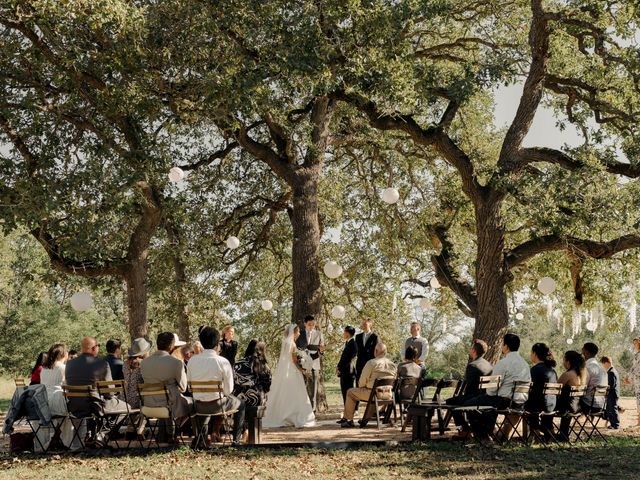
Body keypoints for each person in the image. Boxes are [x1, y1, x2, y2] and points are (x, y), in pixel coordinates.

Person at [465, 333, 531, 441]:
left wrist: (489, 394)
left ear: (506, 346)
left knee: (468, 404)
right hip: (520, 402)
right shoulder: (525, 364)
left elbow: (492, 389)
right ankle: (489, 432)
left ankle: (483, 435)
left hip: (504, 402)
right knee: (487, 402)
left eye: (502, 344)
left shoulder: (504, 363)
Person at [65, 336, 130, 446]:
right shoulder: (102, 364)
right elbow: (109, 392)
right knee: (126, 407)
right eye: (98, 346)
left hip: (74, 406)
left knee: (99, 401)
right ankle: (102, 434)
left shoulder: (70, 364)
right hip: (95, 406)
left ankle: (91, 435)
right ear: (94, 348)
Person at [187, 326, 246, 446]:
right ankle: (236, 441)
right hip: (218, 406)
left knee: (203, 400)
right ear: (217, 343)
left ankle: (201, 438)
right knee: (241, 404)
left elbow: (189, 386)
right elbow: (229, 390)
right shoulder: (223, 361)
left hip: (198, 406)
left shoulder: (192, 361)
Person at [140, 332, 193, 438]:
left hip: (148, 404)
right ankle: (177, 432)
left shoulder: (144, 363)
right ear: (171, 346)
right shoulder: (176, 363)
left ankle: (167, 434)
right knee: (192, 404)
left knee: (169, 399)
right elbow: (183, 388)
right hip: (169, 405)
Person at [263, 324, 316, 428]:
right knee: (295, 392)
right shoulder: (292, 344)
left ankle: (283, 413)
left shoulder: (286, 342)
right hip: (293, 370)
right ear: (294, 332)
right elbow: (294, 360)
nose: (299, 333)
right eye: (298, 332)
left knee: (286, 392)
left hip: (286, 371)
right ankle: (293, 416)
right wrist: (301, 368)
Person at [341, 343, 396, 428]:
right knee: (372, 393)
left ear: (376, 351)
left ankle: (348, 420)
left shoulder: (371, 363)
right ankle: (366, 418)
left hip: (373, 394)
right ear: (385, 352)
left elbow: (362, 382)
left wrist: (363, 386)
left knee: (350, 392)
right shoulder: (393, 365)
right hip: (388, 395)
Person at [448, 339, 493, 440]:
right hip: (487, 397)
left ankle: (464, 430)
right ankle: (467, 430)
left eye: (471, 348)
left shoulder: (472, 365)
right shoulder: (489, 365)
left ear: (474, 350)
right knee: (458, 400)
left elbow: (469, 387)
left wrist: (463, 397)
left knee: (451, 402)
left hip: (475, 397)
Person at [39, 343, 74, 448]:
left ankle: (53, 440)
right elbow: (68, 386)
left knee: (61, 418)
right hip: (58, 401)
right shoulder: (63, 368)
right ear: (64, 354)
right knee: (69, 418)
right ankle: (68, 443)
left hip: (44, 402)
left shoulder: (44, 369)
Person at [526, 343, 558, 438]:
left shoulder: (535, 370)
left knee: (529, 402)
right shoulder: (552, 370)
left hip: (537, 406)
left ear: (535, 354)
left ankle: (535, 432)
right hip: (551, 404)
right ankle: (548, 431)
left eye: (531, 353)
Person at [295, 315, 325, 411]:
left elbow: (322, 350)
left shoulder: (319, 334)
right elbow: (296, 349)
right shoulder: (300, 334)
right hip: (302, 364)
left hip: (315, 364)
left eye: (313, 324)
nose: (311, 326)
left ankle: (313, 409)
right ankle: (302, 407)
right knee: (301, 386)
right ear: (305, 324)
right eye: (309, 324)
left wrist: (321, 350)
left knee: (313, 387)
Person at [557, 350, 587, 440]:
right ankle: (563, 434)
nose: (563, 362)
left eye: (563, 360)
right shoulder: (581, 375)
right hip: (576, 407)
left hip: (566, 407)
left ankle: (547, 431)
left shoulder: (567, 374)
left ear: (568, 362)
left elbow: (555, 389)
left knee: (546, 406)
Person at [233, 340, 272, 407]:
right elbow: (268, 385)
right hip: (258, 400)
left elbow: (233, 382)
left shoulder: (238, 363)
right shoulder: (264, 365)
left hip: (238, 400)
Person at [123, 338, 152, 409]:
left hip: (124, 400)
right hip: (138, 401)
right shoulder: (145, 364)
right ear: (145, 352)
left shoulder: (125, 364)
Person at [581, 342, 607, 412]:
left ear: (586, 352)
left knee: (568, 402)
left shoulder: (589, 367)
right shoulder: (602, 368)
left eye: (582, 350)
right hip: (601, 405)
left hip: (589, 405)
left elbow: (582, 386)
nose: (581, 353)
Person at [336, 326, 357, 411]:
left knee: (347, 393)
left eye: (344, 332)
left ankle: (349, 413)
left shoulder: (353, 344)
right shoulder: (348, 343)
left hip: (348, 372)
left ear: (347, 333)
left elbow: (347, 359)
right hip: (345, 371)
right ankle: (347, 413)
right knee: (345, 393)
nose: (343, 333)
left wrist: (339, 368)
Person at [355, 318, 378, 385]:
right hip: (360, 364)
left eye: (365, 324)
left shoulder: (375, 336)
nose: (363, 325)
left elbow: (377, 351)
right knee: (358, 383)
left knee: (369, 383)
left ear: (370, 324)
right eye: (363, 324)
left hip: (370, 364)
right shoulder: (358, 336)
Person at [600, 356, 620, 429]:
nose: (603, 365)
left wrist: (605, 391)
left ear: (607, 363)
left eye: (603, 363)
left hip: (612, 394)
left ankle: (616, 425)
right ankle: (612, 424)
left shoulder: (611, 372)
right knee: (610, 409)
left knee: (613, 409)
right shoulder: (613, 371)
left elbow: (610, 385)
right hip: (613, 393)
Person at [624, 337, 640, 428]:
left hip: (638, 380)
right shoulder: (636, 354)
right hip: (637, 379)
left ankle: (639, 423)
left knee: (639, 398)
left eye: (636, 343)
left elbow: (635, 368)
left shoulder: (638, 355)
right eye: (633, 343)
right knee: (638, 398)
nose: (634, 345)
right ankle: (638, 422)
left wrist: (628, 378)